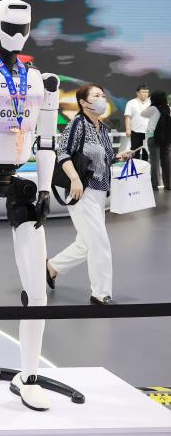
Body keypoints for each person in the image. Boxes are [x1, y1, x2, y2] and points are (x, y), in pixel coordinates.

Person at [47, 84, 133, 305]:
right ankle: (101, 293)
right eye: (96, 95)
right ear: (83, 102)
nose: (102, 99)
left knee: (86, 243)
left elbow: (103, 158)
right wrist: (75, 179)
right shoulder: (77, 124)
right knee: (99, 243)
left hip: (99, 192)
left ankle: (52, 267)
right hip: (82, 191)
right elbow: (63, 152)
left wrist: (119, 156)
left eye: (103, 95)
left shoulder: (102, 127)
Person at [143, 89, 171, 191]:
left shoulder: (153, 108)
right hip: (166, 138)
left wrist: (151, 105)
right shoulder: (168, 109)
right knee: (166, 161)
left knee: (154, 161)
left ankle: (154, 184)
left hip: (154, 137)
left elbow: (142, 113)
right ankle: (168, 184)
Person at [124, 84, 150, 161]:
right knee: (135, 151)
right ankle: (135, 165)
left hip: (149, 132)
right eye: (143, 92)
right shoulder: (131, 103)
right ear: (137, 93)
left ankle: (146, 166)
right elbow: (128, 117)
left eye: (146, 92)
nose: (145, 94)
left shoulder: (151, 103)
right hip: (136, 131)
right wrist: (128, 129)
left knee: (147, 151)